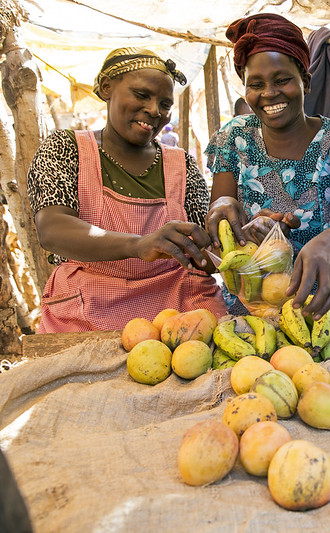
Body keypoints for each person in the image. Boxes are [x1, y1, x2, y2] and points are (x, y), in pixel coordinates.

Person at [27, 48, 227, 333]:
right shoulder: (65, 148)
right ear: (107, 87)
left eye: (165, 103)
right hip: (89, 307)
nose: (155, 111)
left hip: (177, 307)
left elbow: (204, 255)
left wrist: (238, 244)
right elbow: (52, 230)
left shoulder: (180, 164)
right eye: (142, 95)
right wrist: (138, 244)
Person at [205, 14, 330, 320]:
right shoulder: (233, 137)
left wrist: (327, 243)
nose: (269, 93)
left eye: (283, 80)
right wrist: (230, 211)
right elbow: (222, 223)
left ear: (305, 80)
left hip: (328, 305)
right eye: (255, 84)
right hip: (253, 307)